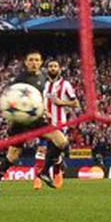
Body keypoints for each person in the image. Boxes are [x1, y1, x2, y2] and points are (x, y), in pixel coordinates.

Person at [0, 51, 70, 196]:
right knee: (13, 156)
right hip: (21, 122)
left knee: (61, 141)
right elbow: (9, 99)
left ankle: (44, 172)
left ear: (41, 62)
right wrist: (12, 116)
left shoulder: (44, 78)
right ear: (26, 62)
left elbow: (42, 98)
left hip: (37, 120)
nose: (34, 63)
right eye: (31, 60)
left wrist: (45, 110)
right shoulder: (19, 80)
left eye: (37, 60)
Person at [35, 58, 78, 190]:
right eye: (50, 66)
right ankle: (38, 179)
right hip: (44, 123)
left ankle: (57, 173)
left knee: (55, 153)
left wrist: (61, 103)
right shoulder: (43, 85)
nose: (53, 68)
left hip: (59, 123)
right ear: (47, 69)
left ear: (59, 69)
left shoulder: (66, 85)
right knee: (41, 150)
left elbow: (75, 103)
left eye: (55, 66)